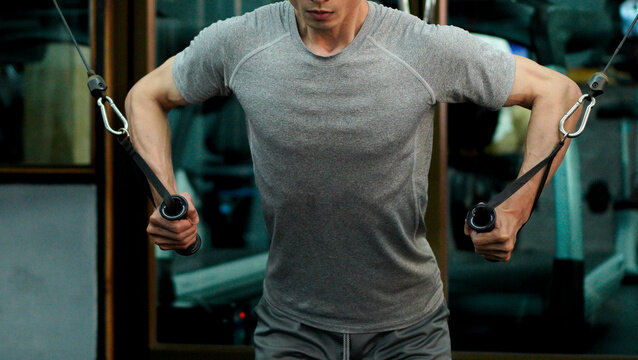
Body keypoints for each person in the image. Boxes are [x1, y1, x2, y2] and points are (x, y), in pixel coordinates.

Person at [124, 0, 581, 358]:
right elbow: (145, 96)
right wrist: (164, 199)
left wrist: (516, 209)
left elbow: (559, 92)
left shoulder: (421, 46)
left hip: (408, 333)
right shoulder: (240, 42)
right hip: (291, 330)